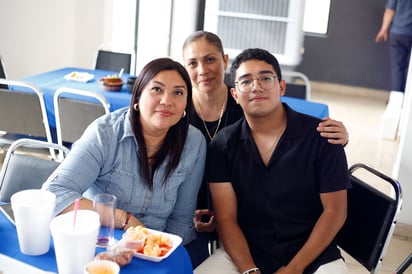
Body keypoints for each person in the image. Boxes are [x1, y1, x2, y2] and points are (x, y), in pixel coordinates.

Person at [181, 30, 349, 268]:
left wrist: (293, 269)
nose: (256, 87)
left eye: (265, 79)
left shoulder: (320, 136)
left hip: (312, 252)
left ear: (281, 87)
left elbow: (334, 212)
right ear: (236, 93)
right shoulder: (204, 130)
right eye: (247, 81)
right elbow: (227, 218)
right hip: (241, 244)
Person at [42, 58, 207, 247]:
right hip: (102, 241)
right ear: (137, 97)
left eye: (178, 92)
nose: (167, 101)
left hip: (156, 247)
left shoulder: (194, 143)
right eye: (156, 89)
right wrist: (123, 218)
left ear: (186, 103)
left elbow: (181, 220)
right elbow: (53, 194)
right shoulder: (104, 134)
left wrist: (161, 252)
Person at [375, 0, 412, 92]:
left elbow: (390, 10)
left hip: (397, 32)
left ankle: (396, 100)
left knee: (397, 68)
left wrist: (383, 29)